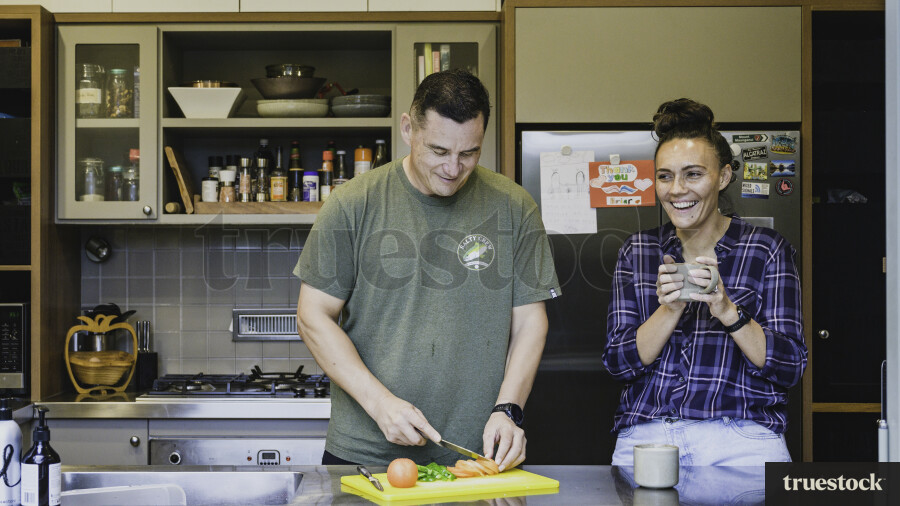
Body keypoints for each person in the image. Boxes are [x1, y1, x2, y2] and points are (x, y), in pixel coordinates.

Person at [294, 69, 561, 469]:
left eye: (468, 153)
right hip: (365, 455)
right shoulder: (352, 204)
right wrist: (379, 403)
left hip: (476, 459)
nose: (453, 168)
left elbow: (529, 322)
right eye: (439, 151)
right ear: (408, 128)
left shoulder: (513, 206)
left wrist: (509, 409)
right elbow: (313, 315)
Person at [602, 98, 807, 466]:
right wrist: (669, 308)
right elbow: (618, 364)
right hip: (650, 435)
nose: (676, 189)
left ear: (724, 176)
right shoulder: (637, 252)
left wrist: (728, 310)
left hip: (743, 435)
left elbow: (790, 367)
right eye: (665, 176)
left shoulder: (767, 250)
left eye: (693, 174)